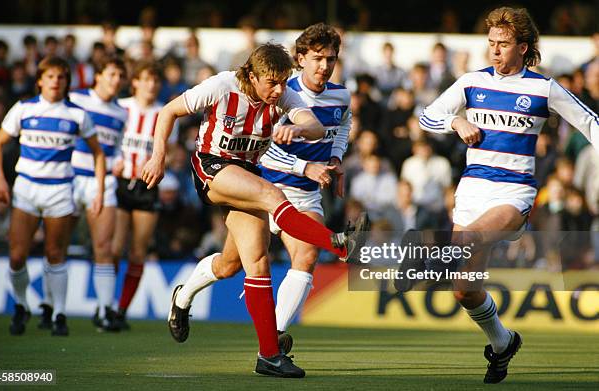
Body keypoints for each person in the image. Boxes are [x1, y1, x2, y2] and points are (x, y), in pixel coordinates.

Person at [141, 43, 367, 378]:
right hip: (211, 166)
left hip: (245, 173)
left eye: (282, 82)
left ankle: (265, 354)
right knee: (272, 194)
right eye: (271, 83)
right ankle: (337, 243)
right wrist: (158, 156)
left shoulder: (282, 95)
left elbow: (316, 127)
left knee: (246, 263)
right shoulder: (221, 86)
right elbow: (168, 112)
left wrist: (298, 128)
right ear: (251, 75)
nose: (279, 90)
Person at [413, 7, 598, 384]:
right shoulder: (470, 82)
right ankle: (503, 342)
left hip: (514, 192)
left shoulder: (542, 88)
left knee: (465, 240)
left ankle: (415, 263)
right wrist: (456, 120)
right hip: (472, 189)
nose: (494, 51)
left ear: (523, 47)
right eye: (491, 43)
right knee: (464, 290)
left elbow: (590, 123)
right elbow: (425, 116)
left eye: (503, 44)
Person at [0, 56, 105, 336]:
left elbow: (98, 153)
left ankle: (59, 314)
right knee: (17, 256)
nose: (56, 81)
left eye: (61, 77)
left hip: (60, 190)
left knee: (55, 254)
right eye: (50, 76)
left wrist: (99, 189)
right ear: (40, 80)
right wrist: (0, 180)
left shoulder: (76, 114)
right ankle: (20, 305)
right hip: (26, 189)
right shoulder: (24, 109)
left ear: (67, 82)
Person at [111, 61, 176, 329]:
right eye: (146, 79)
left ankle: (121, 311)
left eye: (156, 80)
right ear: (135, 81)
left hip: (147, 187)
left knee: (138, 252)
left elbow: (169, 152)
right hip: (118, 183)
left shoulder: (165, 114)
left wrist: (161, 163)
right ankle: (106, 303)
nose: (151, 85)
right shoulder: (120, 108)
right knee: (113, 249)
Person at [65, 55, 127, 332]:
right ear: (98, 75)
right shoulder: (76, 99)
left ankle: (104, 310)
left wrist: (122, 161)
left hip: (104, 183)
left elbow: (119, 149)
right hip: (69, 179)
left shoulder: (121, 112)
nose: (116, 81)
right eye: (112, 74)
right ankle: (53, 310)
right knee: (57, 247)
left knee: (104, 248)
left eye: (120, 76)